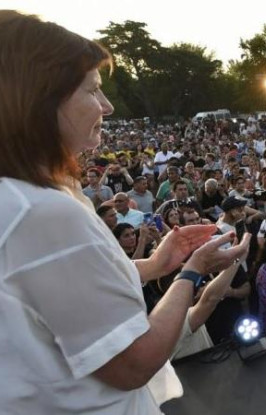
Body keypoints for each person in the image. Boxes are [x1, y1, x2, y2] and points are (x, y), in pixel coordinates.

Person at [0, 11, 249, 413]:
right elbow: (133, 361)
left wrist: (153, 265)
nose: (108, 105)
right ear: (43, 99)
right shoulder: (40, 213)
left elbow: (60, 294)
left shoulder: (24, 199)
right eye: (93, 90)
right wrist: (191, 273)